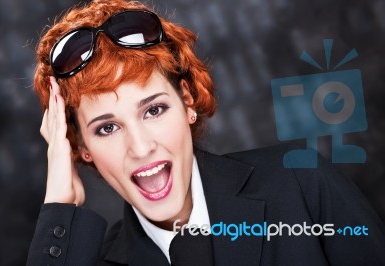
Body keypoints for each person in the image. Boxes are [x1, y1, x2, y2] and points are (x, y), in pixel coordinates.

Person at [26, 0, 385, 265]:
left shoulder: (301, 184)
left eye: (154, 109)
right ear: (81, 148)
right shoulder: (100, 260)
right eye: (106, 128)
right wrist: (59, 205)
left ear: (187, 103)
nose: (140, 146)